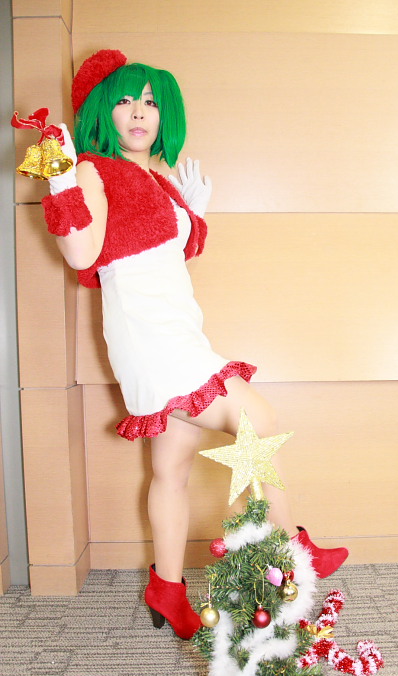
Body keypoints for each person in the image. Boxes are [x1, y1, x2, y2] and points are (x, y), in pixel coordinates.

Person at [41, 49, 348, 640]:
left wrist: (192, 216)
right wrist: (60, 177)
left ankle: (166, 587)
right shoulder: (95, 171)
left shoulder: (158, 180)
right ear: (104, 111)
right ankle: (293, 548)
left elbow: (165, 258)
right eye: (125, 100)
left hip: (177, 330)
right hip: (150, 340)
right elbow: (82, 254)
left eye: (150, 102)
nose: (139, 112)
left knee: (171, 468)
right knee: (257, 417)